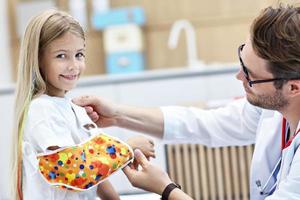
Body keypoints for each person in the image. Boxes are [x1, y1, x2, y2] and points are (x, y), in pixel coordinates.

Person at [73, 4, 300, 200]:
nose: (239, 77)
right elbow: (206, 123)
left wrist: (167, 189)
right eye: (241, 58)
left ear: (293, 87)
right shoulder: (273, 111)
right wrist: (117, 115)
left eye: (249, 75)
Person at [11, 9, 155, 200]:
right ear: (37, 59)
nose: (73, 65)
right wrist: (127, 149)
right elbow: (71, 170)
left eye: (79, 54)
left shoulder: (75, 110)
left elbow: (96, 177)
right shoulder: (41, 110)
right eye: (61, 56)